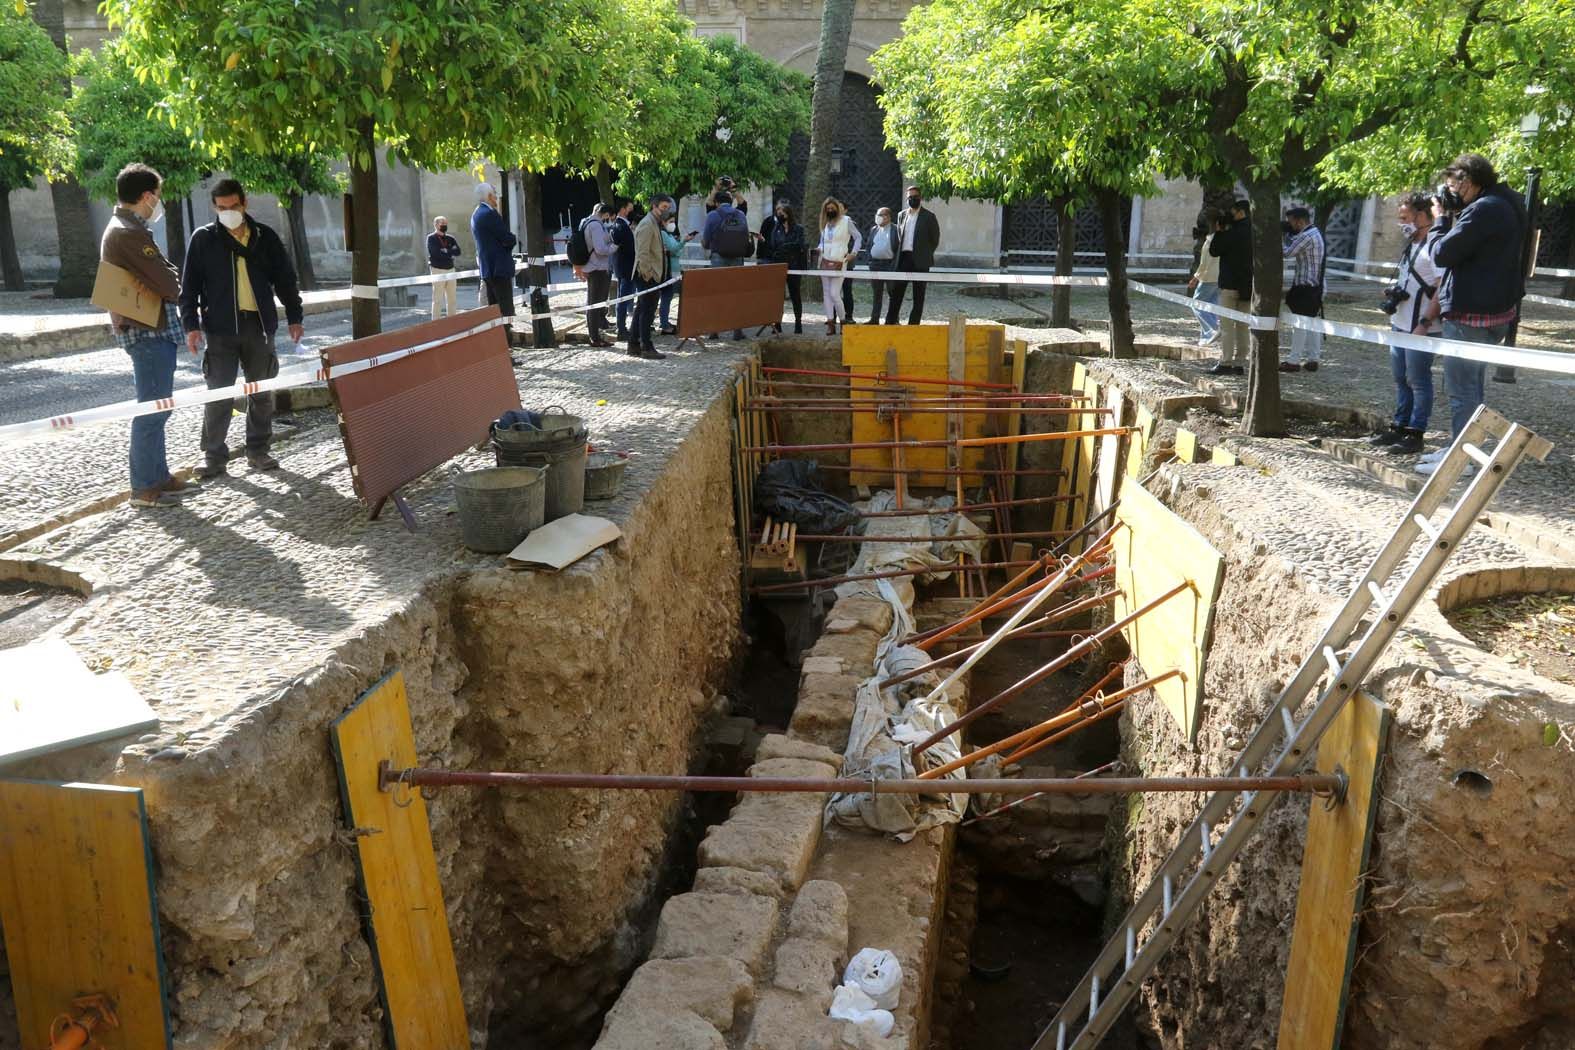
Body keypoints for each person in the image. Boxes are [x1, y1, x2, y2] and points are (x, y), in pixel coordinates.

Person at [180, 178, 304, 478]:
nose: (228, 212)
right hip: (220, 330)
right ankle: (213, 456)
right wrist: (191, 326)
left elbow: (285, 280)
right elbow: (190, 287)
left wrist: (295, 316)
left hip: (259, 327)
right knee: (218, 393)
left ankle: (258, 450)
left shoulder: (265, 237)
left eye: (233, 206)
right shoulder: (203, 239)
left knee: (261, 393)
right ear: (215, 207)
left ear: (244, 203)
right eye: (221, 208)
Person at [1422, 153, 1527, 474]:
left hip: (1471, 314)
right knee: (1473, 387)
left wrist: (1440, 222)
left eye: (1455, 183)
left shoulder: (1484, 209)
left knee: (1462, 390)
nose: (1452, 189)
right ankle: (1461, 445)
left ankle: (1462, 460)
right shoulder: (1506, 202)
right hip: (1493, 311)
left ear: (1468, 180)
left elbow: (1441, 254)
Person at [101, 164, 186, 508]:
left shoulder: (128, 228)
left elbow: (164, 274)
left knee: (159, 406)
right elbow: (168, 283)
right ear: (148, 195)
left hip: (148, 326)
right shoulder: (128, 232)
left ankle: (158, 476)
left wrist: (167, 277)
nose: (158, 203)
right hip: (147, 329)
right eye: (158, 196)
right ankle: (144, 487)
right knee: (152, 409)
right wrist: (172, 282)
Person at [1369, 192, 1441, 456]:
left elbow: (1441, 288)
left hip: (1422, 327)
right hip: (1399, 322)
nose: (1401, 223)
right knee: (1401, 378)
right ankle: (1399, 426)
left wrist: (1425, 322)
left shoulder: (1437, 243)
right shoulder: (1411, 242)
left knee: (1418, 380)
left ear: (1422, 216)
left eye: (1404, 217)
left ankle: (1415, 432)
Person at [884, 186, 941, 325]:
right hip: (903, 258)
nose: (912, 199)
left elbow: (935, 239)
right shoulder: (901, 215)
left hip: (921, 261)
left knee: (919, 295)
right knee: (896, 293)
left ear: (920, 198)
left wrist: (925, 253)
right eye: (909, 197)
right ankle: (891, 322)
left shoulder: (929, 216)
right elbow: (899, 235)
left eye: (915, 197)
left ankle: (913, 325)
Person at [1279, 206, 1326, 373]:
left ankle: (1293, 361)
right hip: (1315, 285)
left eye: (1291, 222)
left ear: (1300, 221)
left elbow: (1286, 253)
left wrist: (1281, 235)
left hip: (1306, 286)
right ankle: (1313, 359)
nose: (1290, 225)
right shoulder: (1314, 232)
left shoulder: (1306, 236)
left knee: (1299, 324)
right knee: (1312, 323)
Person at [1208, 200, 1252, 376]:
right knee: (1243, 327)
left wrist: (1219, 231)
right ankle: (1240, 363)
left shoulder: (1232, 233)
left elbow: (1214, 250)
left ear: (1240, 212)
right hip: (1249, 285)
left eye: (1232, 212)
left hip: (1230, 286)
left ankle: (1226, 362)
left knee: (1226, 326)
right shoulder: (1255, 231)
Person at [701, 190, 752, 340]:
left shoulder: (712, 215)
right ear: (731, 202)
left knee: (717, 292)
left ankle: (715, 330)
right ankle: (737, 330)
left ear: (716, 203)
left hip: (718, 257)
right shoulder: (741, 215)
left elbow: (705, 241)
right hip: (737, 258)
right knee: (736, 293)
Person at [628, 195, 674, 360]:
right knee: (647, 312)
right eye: (663, 207)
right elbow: (642, 252)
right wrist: (648, 275)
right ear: (654, 206)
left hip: (651, 274)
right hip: (647, 275)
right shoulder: (647, 224)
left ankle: (633, 344)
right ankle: (646, 347)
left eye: (667, 207)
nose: (666, 210)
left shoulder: (654, 223)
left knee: (641, 309)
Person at [470, 182, 517, 321]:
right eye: (495, 195)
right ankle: (506, 341)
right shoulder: (490, 213)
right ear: (490, 196)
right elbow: (507, 238)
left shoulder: (476, 213)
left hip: (488, 269)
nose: (496, 198)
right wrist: (512, 240)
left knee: (494, 310)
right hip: (499, 269)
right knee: (505, 311)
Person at [573, 202, 616, 347]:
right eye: (607, 216)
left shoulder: (584, 221)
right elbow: (600, 249)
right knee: (595, 303)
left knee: (593, 302)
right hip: (597, 267)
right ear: (604, 213)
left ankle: (595, 334)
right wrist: (614, 247)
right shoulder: (596, 225)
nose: (607, 219)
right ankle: (595, 337)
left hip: (591, 266)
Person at [816, 198, 855, 334]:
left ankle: (843, 321)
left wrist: (853, 253)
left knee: (834, 293)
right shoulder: (825, 223)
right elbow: (822, 242)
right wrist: (818, 249)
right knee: (826, 294)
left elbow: (859, 237)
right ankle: (830, 323)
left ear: (837, 209)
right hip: (824, 262)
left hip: (840, 262)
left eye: (832, 208)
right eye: (828, 209)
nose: (830, 211)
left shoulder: (846, 221)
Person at [768, 203, 809, 333]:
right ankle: (777, 323)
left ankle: (798, 322)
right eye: (778, 213)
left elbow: (799, 244)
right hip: (779, 265)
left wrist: (786, 247)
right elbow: (773, 245)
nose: (780, 215)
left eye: (783, 213)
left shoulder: (798, 229)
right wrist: (787, 247)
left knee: (795, 294)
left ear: (788, 214)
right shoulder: (776, 228)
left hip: (794, 265)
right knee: (778, 295)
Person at [1187, 217, 1221, 346]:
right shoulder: (1225, 240)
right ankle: (1206, 338)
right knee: (1211, 306)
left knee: (1196, 305)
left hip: (1208, 277)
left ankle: (1213, 329)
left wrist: (1195, 278)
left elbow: (1204, 264)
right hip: (1220, 278)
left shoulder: (1210, 241)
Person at [658, 213, 694, 335]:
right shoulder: (663, 234)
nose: (673, 224)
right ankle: (664, 324)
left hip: (674, 269)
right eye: (671, 221)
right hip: (669, 271)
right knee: (666, 297)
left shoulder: (669, 234)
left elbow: (675, 250)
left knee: (667, 297)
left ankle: (665, 322)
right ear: (664, 222)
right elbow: (674, 249)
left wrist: (682, 243)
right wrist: (683, 241)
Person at [866, 207, 898, 324]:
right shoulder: (874, 229)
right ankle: (874, 319)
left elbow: (898, 247)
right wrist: (869, 260)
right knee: (876, 294)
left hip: (890, 266)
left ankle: (893, 319)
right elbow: (869, 245)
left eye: (881, 214)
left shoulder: (896, 229)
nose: (878, 217)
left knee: (893, 294)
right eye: (877, 214)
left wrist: (895, 264)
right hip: (875, 265)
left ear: (888, 216)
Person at [610, 197, 636, 339]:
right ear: (623, 209)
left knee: (624, 298)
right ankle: (621, 329)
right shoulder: (620, 226)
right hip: (625, 267)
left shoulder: (621, 225)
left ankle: (622, 327)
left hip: (624, 267)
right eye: (630, 209)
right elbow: (625, 248)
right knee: (623, 298)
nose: (631, 211)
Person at [426, 216, 462, 319]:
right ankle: (435, 321)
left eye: (446, 224)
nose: (445, 226)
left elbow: (458, 251)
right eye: (442, 224)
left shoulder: (451, 238)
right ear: (436, 225)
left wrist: (446, 251)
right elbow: (435, 253)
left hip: (451, 270)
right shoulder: (431, 238)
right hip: (437, 269)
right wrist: (450, 252)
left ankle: (452, 320)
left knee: (452, 298)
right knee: (437, 299)